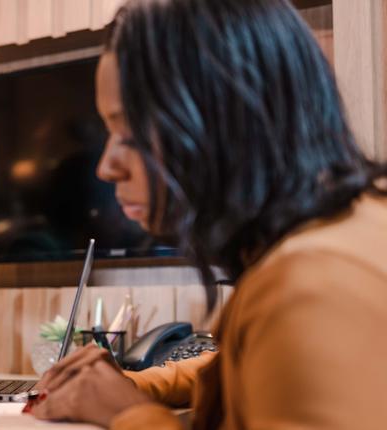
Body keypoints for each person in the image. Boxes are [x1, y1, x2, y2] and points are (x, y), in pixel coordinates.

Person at [29, 0, 387, 429]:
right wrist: (138, 384)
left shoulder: (312, 282)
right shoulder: (339, 230)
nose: (106, 167)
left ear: (231, 117)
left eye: (133, 132)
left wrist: (129, 415)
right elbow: (256, 367)